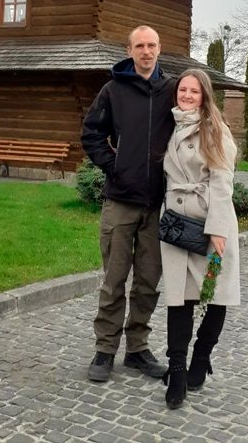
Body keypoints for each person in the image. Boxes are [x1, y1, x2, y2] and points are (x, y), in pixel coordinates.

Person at [81, 25, 176, 383]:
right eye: (140, 46)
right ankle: (105, 349)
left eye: (152, 45)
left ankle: (137, 349)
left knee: (148, 282)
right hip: (120, 201)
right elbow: (91, 133)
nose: (146, 51)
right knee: (114, 280)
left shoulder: (171, 90)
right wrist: (113, 165)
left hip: (157, 204)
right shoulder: (113, 90)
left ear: (159, 49)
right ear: (129, 50)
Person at [160, 68, 239, 409]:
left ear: (205, 96)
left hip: (210, 221)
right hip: (176, 223)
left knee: (216, 294)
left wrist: (218, 229)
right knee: (178, 297)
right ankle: (177, 370)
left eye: (194, 91)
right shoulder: (169, 126)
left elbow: (222, 180)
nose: (187, 96)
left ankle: (201, 359)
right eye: (183, 90)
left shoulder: (215, 129)